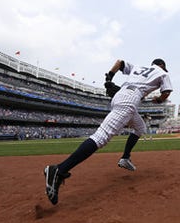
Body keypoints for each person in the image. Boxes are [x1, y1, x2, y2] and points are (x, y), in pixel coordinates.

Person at [44, 58, 173, 205]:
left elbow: (119, 62)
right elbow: (166, 92)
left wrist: (108, 78)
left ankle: (125, 158)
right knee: (101, 137)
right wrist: (158, 100)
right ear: (162, 66)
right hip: (130, 99)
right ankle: (59, 170)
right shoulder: (162, 72)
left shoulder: (139, 67)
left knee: (140, 127)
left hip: (120, 94)